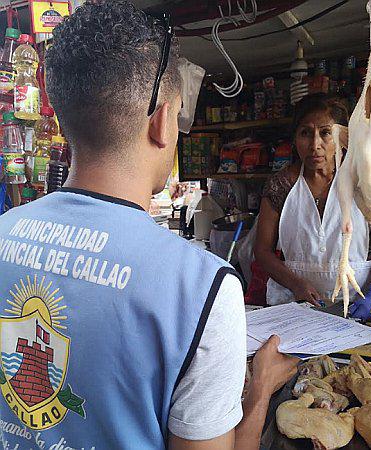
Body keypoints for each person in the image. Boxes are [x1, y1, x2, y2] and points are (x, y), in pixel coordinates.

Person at [0, 2, 297, 448]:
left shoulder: (5, 232)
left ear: (61, 118)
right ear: (162, 121)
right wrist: (259, 390)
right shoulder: (201, 287)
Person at [253, 93, 371, 321]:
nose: (315, 145)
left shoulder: (365, 182)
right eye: (305, 133)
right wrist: (296, 285)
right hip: (295, 305)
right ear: (295, 139)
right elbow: (262, 251)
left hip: (360, 305)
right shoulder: (281, 186)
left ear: (343, 136)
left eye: (325, 133)